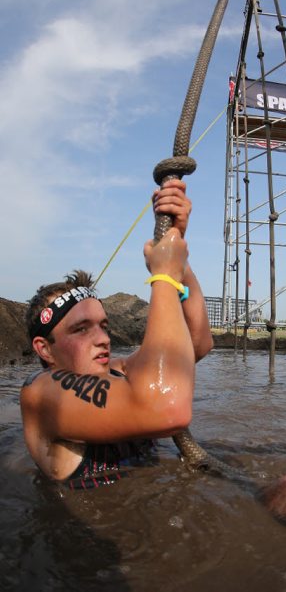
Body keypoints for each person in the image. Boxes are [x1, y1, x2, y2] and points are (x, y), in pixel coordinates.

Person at [21, 180, 213, 488]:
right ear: (45, 349)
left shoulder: (119, 371)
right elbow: (167, 408)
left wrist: (176, 247)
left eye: (104, 326)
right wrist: (163, 276)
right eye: (81, 329)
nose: (103, 339)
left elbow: (196, 342)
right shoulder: (40, 394)